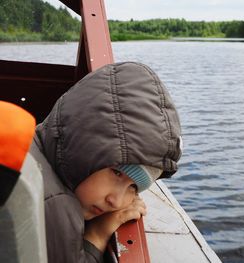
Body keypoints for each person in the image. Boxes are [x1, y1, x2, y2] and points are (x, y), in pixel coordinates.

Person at [30, 62, 182, 262]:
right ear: (83, 144)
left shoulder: (33, 143)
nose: (116, 201)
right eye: (116, 173)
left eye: (134, 188)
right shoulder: (56, 209)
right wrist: (97, 235)